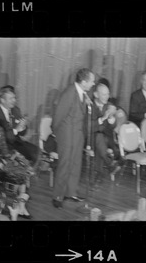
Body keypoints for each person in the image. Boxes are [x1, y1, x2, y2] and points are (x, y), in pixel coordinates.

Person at [51, 68, 95, 209]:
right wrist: (57, 134)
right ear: (83, 82)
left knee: (76, 164)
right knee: (65, 164)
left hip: (77, 135)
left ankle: (71, 192)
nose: (93, 84)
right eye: (91, 81)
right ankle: (58, 196)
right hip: (67, 135)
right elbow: (59, 115)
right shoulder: (69, 92)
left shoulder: (82, 92)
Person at [0, 85, 40, 169]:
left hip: (16, 142)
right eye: (11, 98)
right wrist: (16, 130)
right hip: (3, 145)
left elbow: (23, 133)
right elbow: (6, 136)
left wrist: (23, 127)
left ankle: (28, 176)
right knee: (22, 161)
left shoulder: (15, 110)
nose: (14, 100)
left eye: (14, 98)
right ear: (2, 100)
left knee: (37, 152)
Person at [0, 125, 32, 220]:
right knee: (14, 174)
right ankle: (12, 207)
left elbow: (4, 149)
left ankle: (20, 205)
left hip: (1, 161)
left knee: (23, 170)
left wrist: (11, 157)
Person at [91, 83, 123, 185]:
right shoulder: (89, 106)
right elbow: (89, 126)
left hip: (106, 138)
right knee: (98, 138)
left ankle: (99, 174)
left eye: (108, 94)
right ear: (96, 94)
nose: (107, 97)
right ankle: (110, 164)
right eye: (104, 94)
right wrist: (102, 119)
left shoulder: (109, 106)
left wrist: (112, 120)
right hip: (90, 137)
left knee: (100, 141)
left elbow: (112, 127)